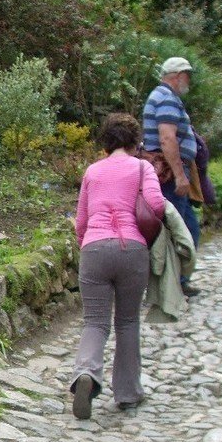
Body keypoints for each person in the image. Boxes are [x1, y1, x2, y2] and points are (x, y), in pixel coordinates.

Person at [71, 113, 166, 419]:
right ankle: (127, 393)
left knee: (94, 322)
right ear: (135, 141)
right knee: (127, 322)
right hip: (132, 250)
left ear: (106, 141)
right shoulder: (142, 168)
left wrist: (90, 244)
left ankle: (86, 374)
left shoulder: (93, 172)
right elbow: (157, 205)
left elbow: (82, 220)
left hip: (95, 249)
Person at [141, 56, 201, 296]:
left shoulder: (165, 97)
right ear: (177, 76)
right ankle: (172, 283)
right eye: (187, 75)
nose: (188, 81)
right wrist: (180, 176)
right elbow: (167, 139)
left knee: (185, 226)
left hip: (166, 174)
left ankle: (178, 280)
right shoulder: (166, 98)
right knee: (178, 228)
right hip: (168, 176)